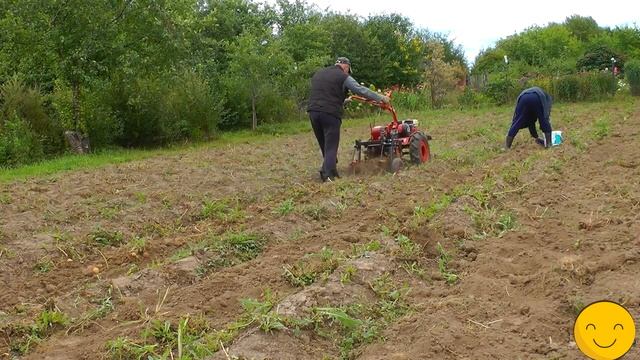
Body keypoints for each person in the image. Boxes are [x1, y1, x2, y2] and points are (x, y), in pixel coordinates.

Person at [307, 57, 390, 182]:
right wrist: (380, 98)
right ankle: (328, 175)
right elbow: (360, 90)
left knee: (325, 144)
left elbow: (326, 94)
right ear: (346, 67)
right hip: (330, 114)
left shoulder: (319, 73)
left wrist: (345, 100)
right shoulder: (343, 76)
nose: (348, 73)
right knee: (331, 146)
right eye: (348, 71)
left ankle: (331, 169)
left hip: (313, 112)